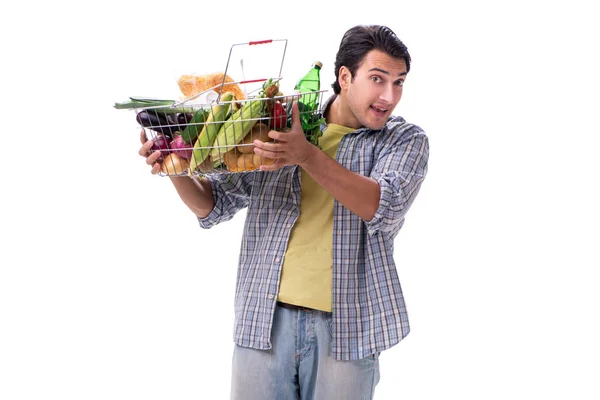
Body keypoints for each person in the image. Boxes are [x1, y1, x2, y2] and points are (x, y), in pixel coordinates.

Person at [138, 24, 429, 400]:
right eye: (377, 79)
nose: (389, 95)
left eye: (399, 82)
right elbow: (213, 205)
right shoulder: (282, 128)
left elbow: (381, 207)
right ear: (344, 77)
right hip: (263, 321)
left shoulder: (404, 141)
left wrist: (307, 154)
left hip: (348, 331)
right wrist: (175, 166)